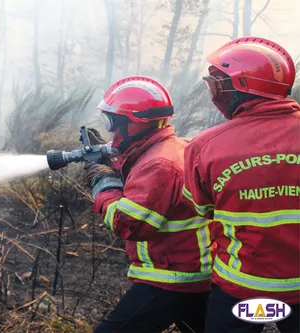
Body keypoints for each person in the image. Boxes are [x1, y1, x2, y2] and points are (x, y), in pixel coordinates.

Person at [182, 36, 300, 333]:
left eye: (216, 85)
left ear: (238, 89)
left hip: (241, 286)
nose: (213, 94)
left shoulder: (205, 146)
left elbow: (201, 207)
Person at [84, 76, 213, 333]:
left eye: (112, 121)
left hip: (170, 278)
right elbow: (146, 183)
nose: (110, 130)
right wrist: (114, 164)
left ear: (133, 123)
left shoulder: (159, 164)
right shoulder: (174, 147)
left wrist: (103, 182)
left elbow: (130, 224)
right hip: (194, 272)